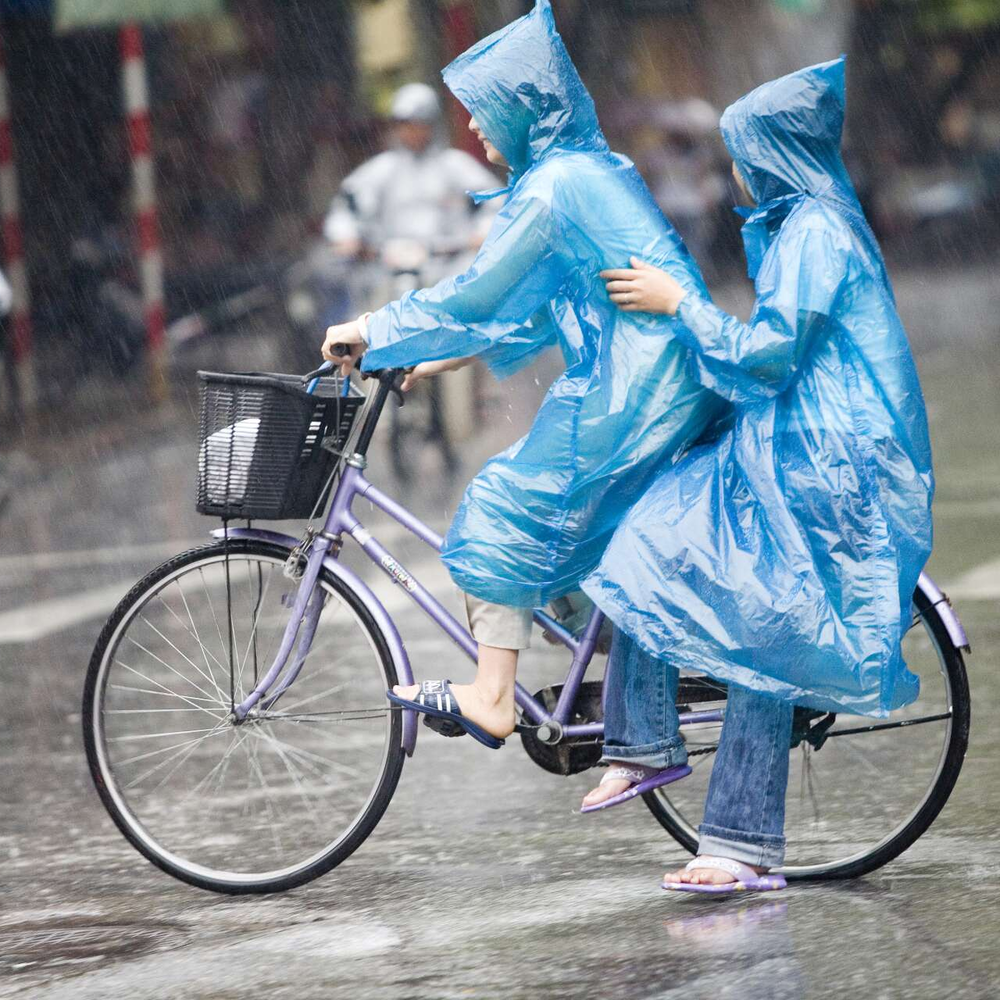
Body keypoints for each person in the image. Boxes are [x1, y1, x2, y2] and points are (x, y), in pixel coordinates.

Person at [322, 0, 728, 749]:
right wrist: (439, 353)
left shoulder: (553, 187)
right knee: (576, 543)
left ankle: (493, 696)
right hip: (652, 375)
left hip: (640, 384)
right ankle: (642, 693)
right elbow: (539, 306)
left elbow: (478, 291)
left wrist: (373, 328)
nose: (473, 129)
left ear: (518, 111)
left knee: (504, 507)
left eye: (483, 112)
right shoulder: (574, 171)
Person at [581, 57, 934, 892]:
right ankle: (644, 750)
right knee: (647, 538)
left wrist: (679, 304)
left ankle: (730, 835)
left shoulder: (815, 233)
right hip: (792, 449)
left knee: (752, 613)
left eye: (743, 150)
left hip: (828, 470)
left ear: (775, 152)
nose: (733, 168)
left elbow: (770, 354)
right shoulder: (801, 226)